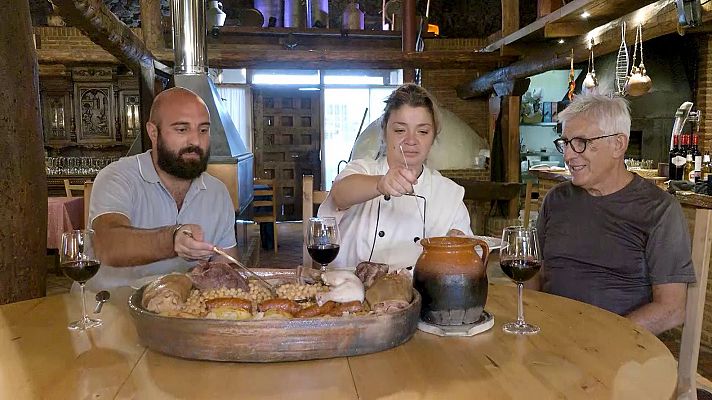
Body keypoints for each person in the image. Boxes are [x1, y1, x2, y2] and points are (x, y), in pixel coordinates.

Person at [534, 93, 695, 335]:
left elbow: (671, 309)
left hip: (620, 354)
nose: (567, 155)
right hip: (550, 339)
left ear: (618, 144)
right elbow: (533, 274)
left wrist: (605, 339)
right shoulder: (556, 200)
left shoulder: (659, 210)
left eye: (581, 143)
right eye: (565, 142)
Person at [87, 87, 238, 291]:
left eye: (203, 130)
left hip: (182, 315)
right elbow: (107, 245)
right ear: (153, 132)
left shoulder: (217, 192)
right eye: (182, 129)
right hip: (111, 308)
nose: (195, 141)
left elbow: (226, 264)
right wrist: (172, 239)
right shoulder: (118, 177)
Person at [318, 83, 473, 270]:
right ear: (384, 132)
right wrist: (380, 184)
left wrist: (459, 246)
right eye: (400, 130)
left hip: (422, 293)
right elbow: (340, 194)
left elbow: (468, 260)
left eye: (423, 132)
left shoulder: (448, 193)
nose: (411, 140)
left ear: (433, 138)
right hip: (352, 290)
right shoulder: (364, 169)